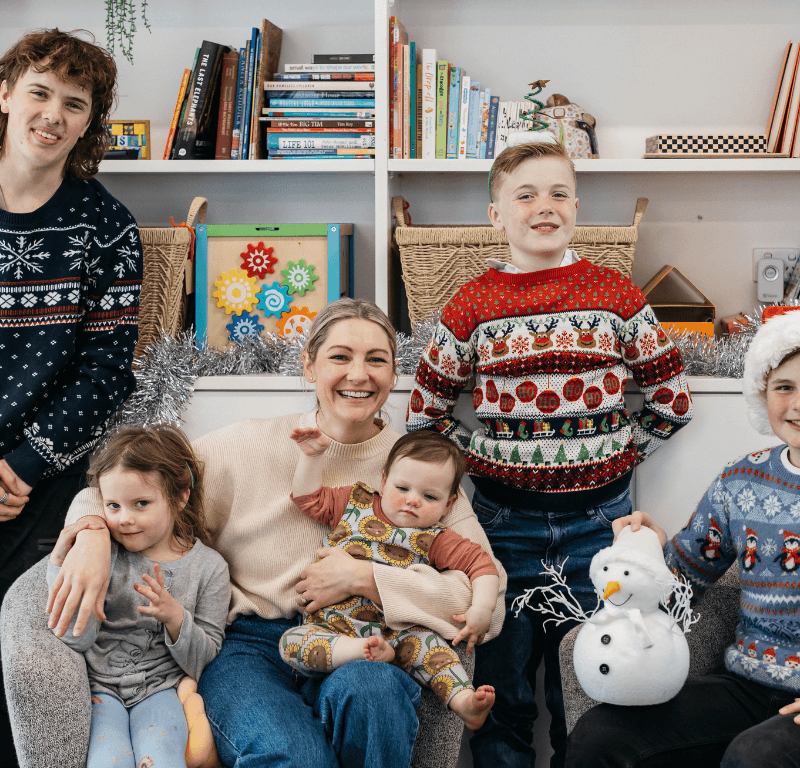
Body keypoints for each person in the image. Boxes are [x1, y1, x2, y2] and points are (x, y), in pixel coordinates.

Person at [45, 298, 507, 768]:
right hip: (250, 646)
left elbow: (488, 598)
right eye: (340, 356)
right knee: (294, 756)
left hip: (363, 637)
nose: (359, 375)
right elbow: (129, 483)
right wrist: (92, 535)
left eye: (376, 360)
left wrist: (366, 579)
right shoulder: (246, 444)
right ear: (309, 366)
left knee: (375, 693)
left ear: (392, 374)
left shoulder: (414, 472)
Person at [406, 136, 693, 768]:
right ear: (496, 215)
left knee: (589, 689)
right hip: (501, 530)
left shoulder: (615, 294)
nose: (545, 206)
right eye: (526, 194)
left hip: (600, 526)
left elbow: (672, 399)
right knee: (501, 694)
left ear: (576, 205)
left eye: (559, 193)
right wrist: (482, 460)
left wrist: (616, 453)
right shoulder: (472, 304)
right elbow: (426, 414)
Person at [567, 310, 800, 768]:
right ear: (762, 394)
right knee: (601, 736)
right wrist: (646, 550)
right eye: (784, 387)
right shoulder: (742, 480)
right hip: (749, 687)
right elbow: (679, 580)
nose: (796, 405)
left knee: (754, 758)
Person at [0, 28, 142, 764]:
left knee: (24, 652)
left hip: (43, 481)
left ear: (89, 122)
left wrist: (23, 465)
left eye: (74, 103)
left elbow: (106, 372)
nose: (53, 113)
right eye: (39, 92)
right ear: (5, 94)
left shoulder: (109, 229)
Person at [285, 428, 499, 730]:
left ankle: (464, 701)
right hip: (331, 628)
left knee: (433, 648)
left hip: (397, 633)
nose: (412, 501)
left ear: (448, 504)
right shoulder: (354, 502)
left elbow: (482, 566)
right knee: (291, 643)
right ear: (384, 481)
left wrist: (482, 609)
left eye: (429, 496)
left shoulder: (436, 538)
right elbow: (309, 500)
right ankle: (361, 652)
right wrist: (312, 456)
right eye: (402, 488)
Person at [47, 425, 229, 768]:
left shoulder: (210, 568)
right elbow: (76, 639)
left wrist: (175, 618)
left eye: (140, 503)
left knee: (160, 758)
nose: (124, 519)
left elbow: (204, 660)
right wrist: (59, 566)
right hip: (100, 690)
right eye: (113, 505)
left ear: (180, 497)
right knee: (108, 761)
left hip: (161, 691)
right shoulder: (104, 558)